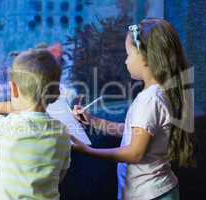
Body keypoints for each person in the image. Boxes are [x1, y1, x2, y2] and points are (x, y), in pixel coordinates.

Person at [71, 18, 195, 200]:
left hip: (150, 195)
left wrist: (88, 151)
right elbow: (136, 133)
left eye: (128, 54)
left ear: (145, 58)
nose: (125, 61)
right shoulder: (157, 92)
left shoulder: (150, 99)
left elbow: (135, 153)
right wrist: (93, 121)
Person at [0, 49, 71, 200]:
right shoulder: (63, 132)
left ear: (13, 89)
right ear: (55, 92)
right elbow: (60, 176)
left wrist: (10, 106)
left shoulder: (8, 127)